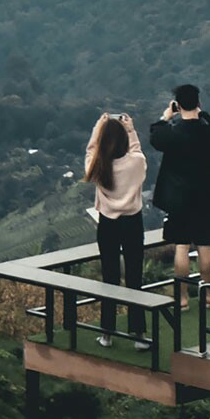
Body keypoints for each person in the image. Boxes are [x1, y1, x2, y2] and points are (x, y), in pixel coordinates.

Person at [148, 83, 210, 310]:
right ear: (198, 103)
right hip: (205, 196)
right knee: (205, 246)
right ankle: (207, 295)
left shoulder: (173, 133)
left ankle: (182, 299)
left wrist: (165, 117)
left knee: (181, 247)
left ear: (177, 105)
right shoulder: (207, 132)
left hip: (179, 198)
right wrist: (205, 117)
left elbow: (156, 137)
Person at [85, 111, 148, 349]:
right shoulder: (136, 163)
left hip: (108, 224)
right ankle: (138, 334)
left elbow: (90, 151)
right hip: (133, 222)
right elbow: (137, 152)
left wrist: (97, 129)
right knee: (134, 276)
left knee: (109, 277)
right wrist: (130, 130)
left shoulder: (98, 166)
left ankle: (107, 334)